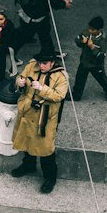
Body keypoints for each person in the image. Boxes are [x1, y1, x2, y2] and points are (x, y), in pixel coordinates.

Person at [11, 51, 68, 194]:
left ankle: (50, 177)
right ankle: (28, 165)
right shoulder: (32, 66)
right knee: (27, 141)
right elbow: (21, 78)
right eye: (40, 63)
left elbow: (59, 96)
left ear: (52, 63)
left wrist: (42, 89)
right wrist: (20, 82)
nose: (41, 66)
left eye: (44, 63)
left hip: (45, 117)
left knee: (45, 149)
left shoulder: (61, 77)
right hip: (28, 112)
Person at [73, 15, 107, 102]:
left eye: (93, 29)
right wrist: (81, 41)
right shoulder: (86, 32)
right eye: (89, 28)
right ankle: (76, 95)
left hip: (96, 65)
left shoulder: (102, 39)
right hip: (84, 62)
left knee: (102, 79)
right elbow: (77, 41)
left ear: (99, 30)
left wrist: (92, 47)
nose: (90, 31)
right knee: (79, 79)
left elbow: (101, 56)